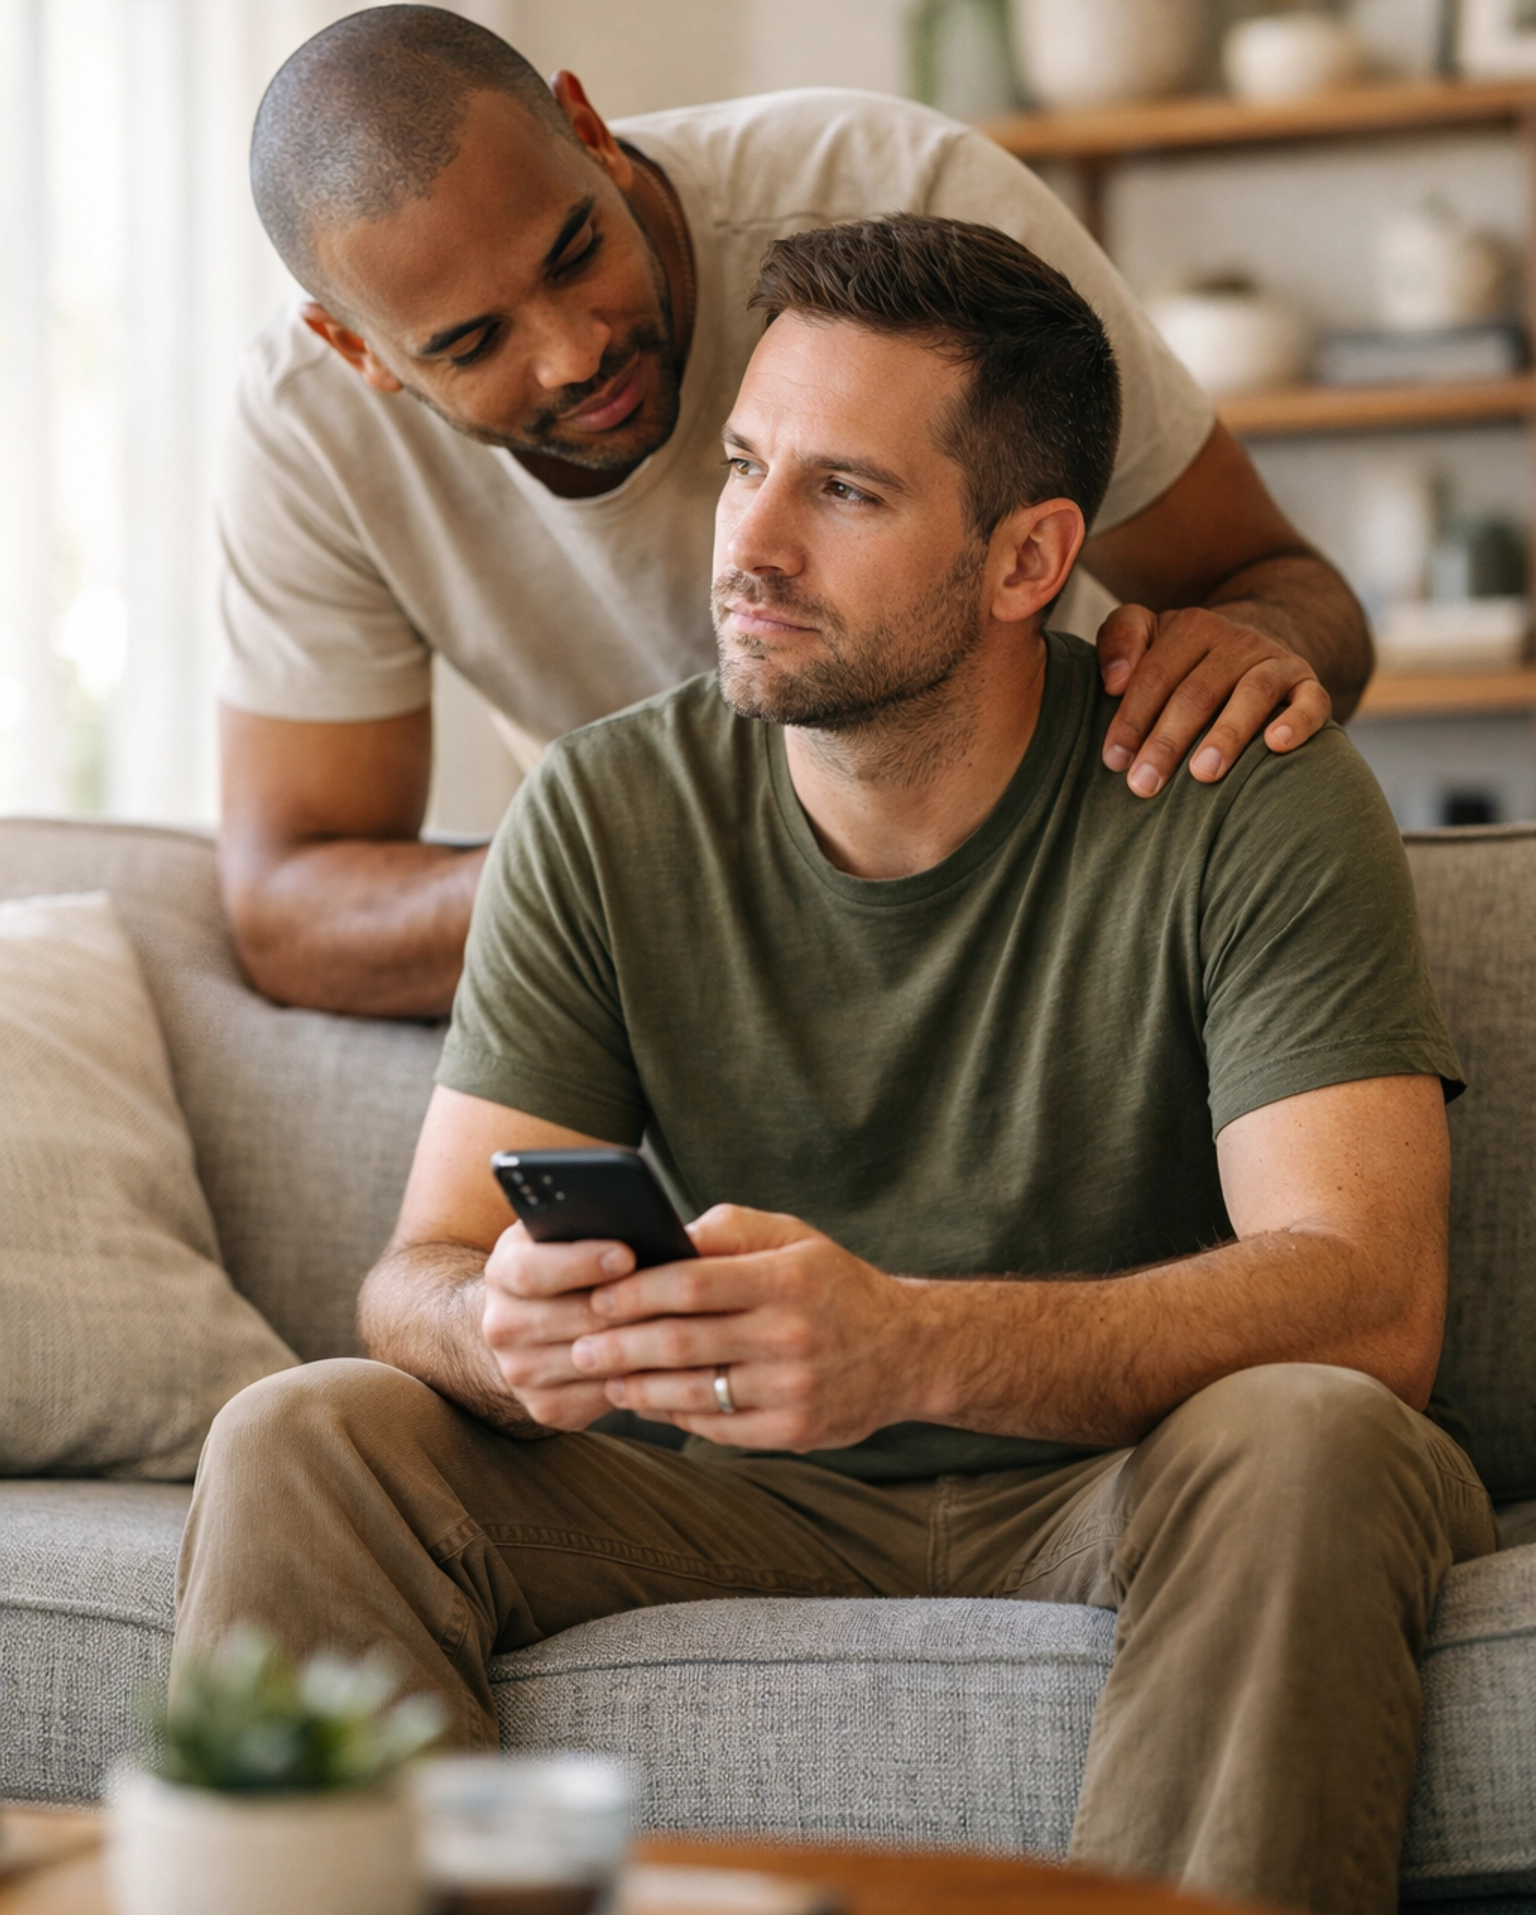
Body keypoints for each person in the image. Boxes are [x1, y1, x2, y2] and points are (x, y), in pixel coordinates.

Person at [179, 216, 1490, 1915]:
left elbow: (1370, 1299)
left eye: (844, 493)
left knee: (1317, 1430)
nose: (751, 546)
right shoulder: (604, 806)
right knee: (312, 1430)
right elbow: (413, 1271)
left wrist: (911, 1342)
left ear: (1028, 558)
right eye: (743, 466)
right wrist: (499, 1324)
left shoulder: (1249, 787)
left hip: (1125, 1481)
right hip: (719, 1491)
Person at [219, 5, 1372, 1018]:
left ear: (590, 130)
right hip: (675, 987)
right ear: (353, 351)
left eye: (576, 253)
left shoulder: (908, 203)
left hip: (1044, 915)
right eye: (474, 344)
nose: (575, 352)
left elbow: (1290, 593)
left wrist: (1244, 669)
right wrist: (638, 865)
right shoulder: (305, 426)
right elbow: (288, 911)